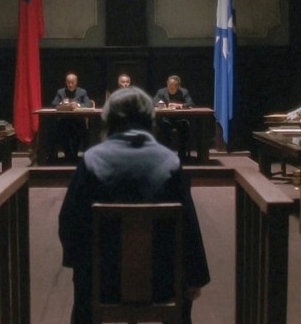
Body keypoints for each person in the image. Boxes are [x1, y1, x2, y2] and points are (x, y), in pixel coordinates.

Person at [58, 87, 210, 324]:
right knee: (180, 279)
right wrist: (194, 277)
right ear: (150, 119)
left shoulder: (91, 160)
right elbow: (189, 227)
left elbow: (69, 223)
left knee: (84, 277)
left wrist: (80, 264)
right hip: (162, 283)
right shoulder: (170, 161)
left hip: (102, 283)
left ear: (108, 120)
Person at [51, 73, 91, 162]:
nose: (70, 85)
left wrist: (78, 105)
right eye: (68, 82)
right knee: (60, 130)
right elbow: (54, 103)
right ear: (66, 82)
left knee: (78, 131)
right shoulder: (60, 92)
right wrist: (62, 104)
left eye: (72, 82)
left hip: (78, 120)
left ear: (76, 82)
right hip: (64, 120)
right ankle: (68, 155)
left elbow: (88, 104)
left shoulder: (82, 92)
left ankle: (75, 155)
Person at [153, 75, 195, 161]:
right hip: (166, 119)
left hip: (180, 119)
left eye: (174, 86)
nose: (171, 87)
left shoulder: (184, 92)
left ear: (178, 86)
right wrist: (163, 105)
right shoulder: (161, 92)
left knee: (185, 127)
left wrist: (179, 105)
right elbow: (154, 102)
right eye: (169, 85)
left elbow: (191, 103)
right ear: (167, 84)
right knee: (163, 127)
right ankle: (166, 153)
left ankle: (182, 154)